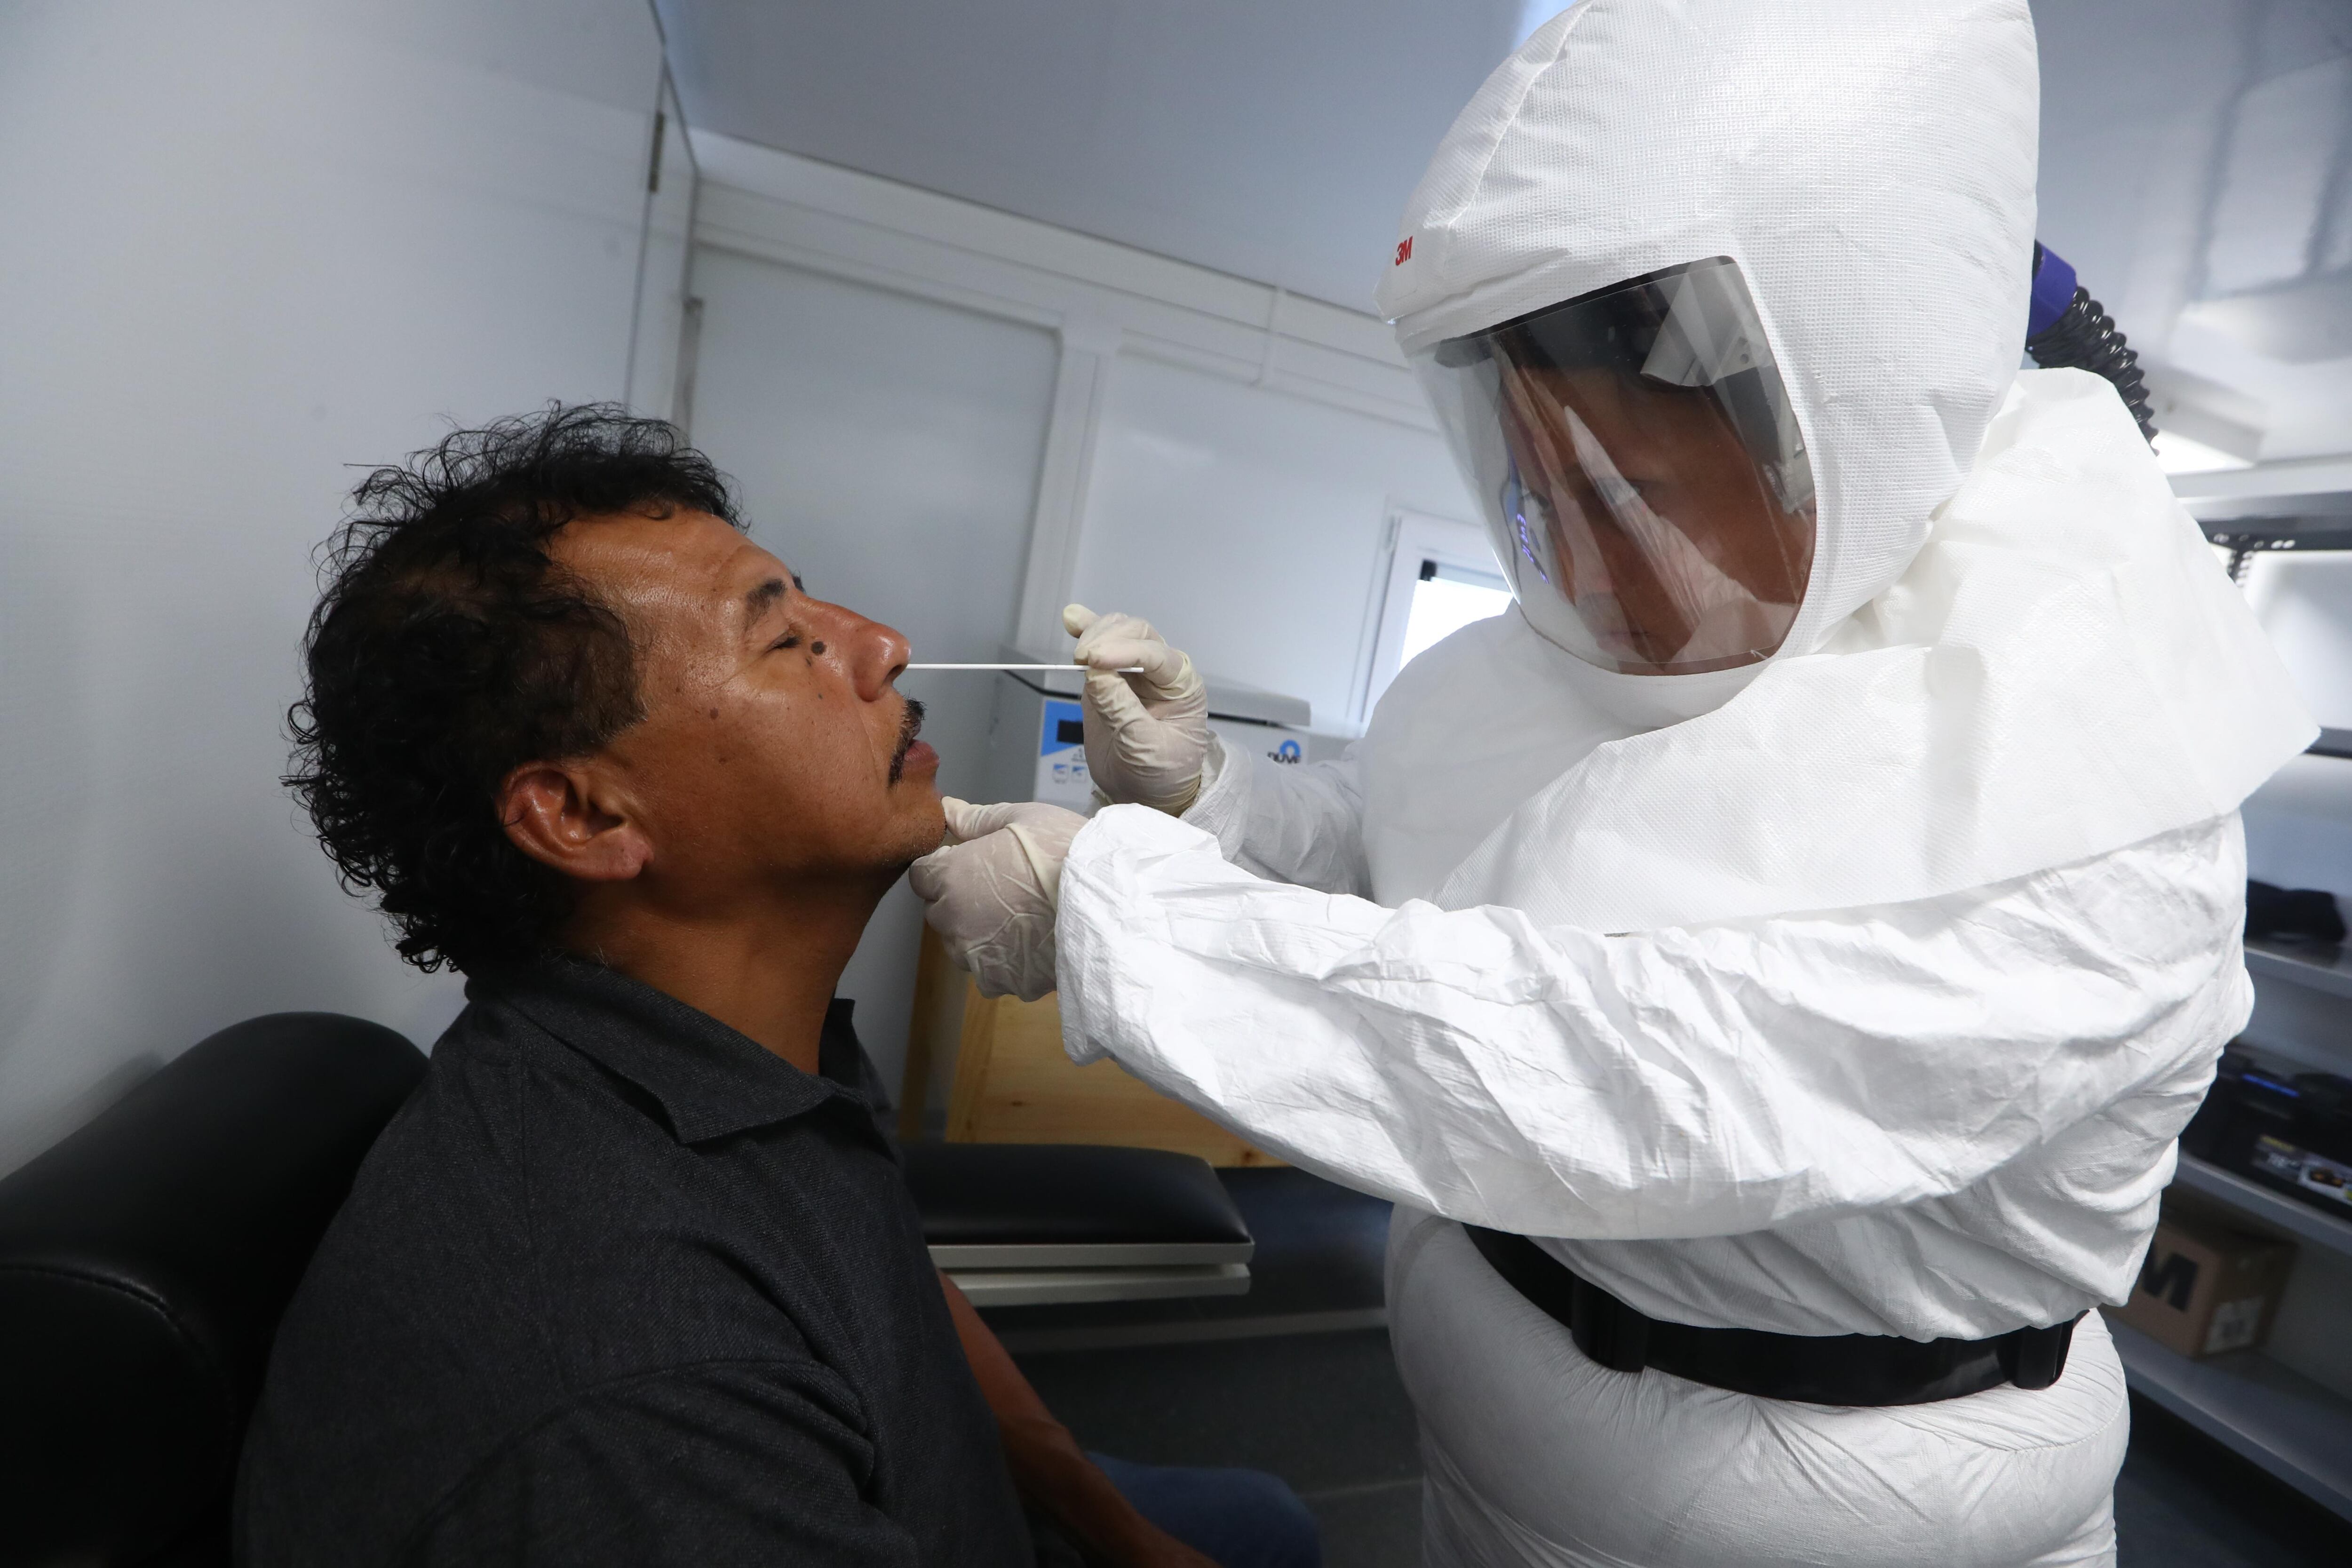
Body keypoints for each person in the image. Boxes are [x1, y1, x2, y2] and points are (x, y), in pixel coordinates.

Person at [908, 3, 2315, 1565]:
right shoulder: (1625, 645)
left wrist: (1114, 912)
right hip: (1495, 1444)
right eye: (1537, 488)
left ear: (1837, 438)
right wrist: (1211, 797)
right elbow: (1442, 853)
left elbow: (1642, 1071)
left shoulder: (2087, 784)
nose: (1575, 559)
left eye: (1627, 498)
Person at [240, 406, 1320, 1568]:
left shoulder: (727, 1049)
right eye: (785, 641)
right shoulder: (638, 1389)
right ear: (586, 812)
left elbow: (882, 1279)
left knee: (1265, 1520)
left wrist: (1105, 1520)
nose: (884, 644)